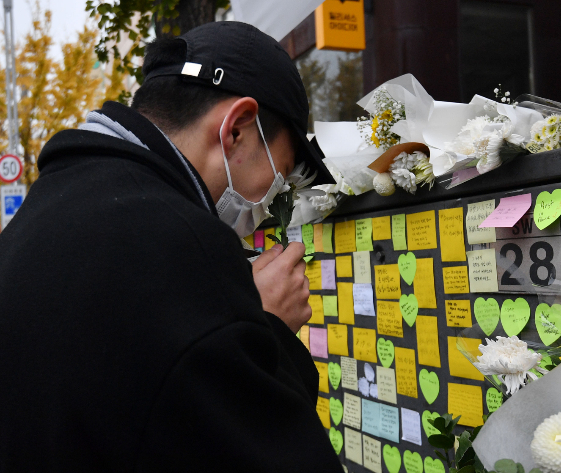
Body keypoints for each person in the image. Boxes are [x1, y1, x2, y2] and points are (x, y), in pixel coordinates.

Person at [0, 21, 343, 472]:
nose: (270, 200)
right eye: (280, 176)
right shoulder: (185, 249)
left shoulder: (41, 213)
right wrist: (266, 331)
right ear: (236, 129)